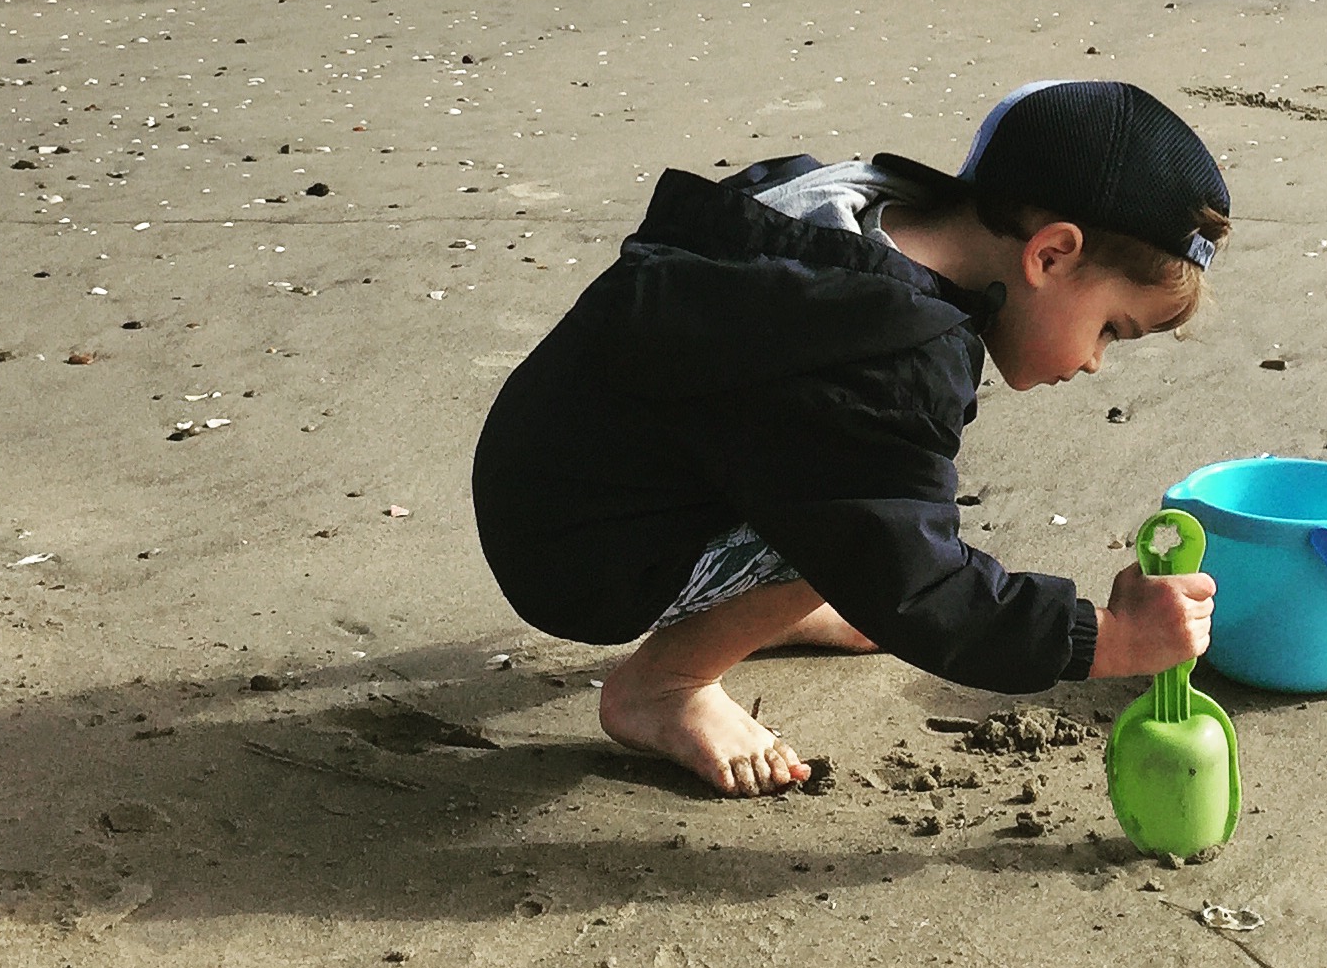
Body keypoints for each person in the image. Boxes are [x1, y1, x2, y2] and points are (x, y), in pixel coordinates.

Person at [473, 78, 1230, 796]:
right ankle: (666, 687)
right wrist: (1108, 638)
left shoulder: (836, 217)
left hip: (549, 481)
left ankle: (770, 601)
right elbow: (919, 584)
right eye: (1111, 328)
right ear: (1051, 254)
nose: (1095, 361)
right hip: (585, 564)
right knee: (867, 528)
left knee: (856, 499)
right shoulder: (885, 354)